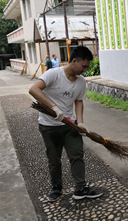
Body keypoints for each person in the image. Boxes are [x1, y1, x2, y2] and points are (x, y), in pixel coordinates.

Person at [30, 46, 103, 201]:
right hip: (49, 126)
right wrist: (54, 107)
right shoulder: (53, 74)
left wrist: (81, 123)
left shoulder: (81, 81)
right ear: (74, 61)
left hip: (70, 126)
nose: (85, 70)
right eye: (84, 66)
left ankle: (80, 188)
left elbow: (78, 101)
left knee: (77, 155)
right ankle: (56, 187)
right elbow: (34, 89)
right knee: (54, 159)